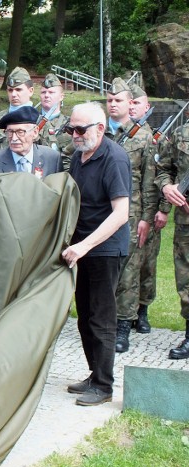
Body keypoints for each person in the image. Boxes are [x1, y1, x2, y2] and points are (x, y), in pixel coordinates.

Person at [62, 102, 131, 406]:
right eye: (71, 129)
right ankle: (94, 374)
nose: (75, 135)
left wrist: (85, 245)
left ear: (100, 129)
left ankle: (104, 386)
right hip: (83, 249)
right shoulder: (80, 156)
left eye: (80, 130)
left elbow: (121, 214)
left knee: (102, 318)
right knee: (85, 316)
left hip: (104, 249)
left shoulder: (114, 158)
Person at [105, 78, 158, 353]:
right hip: (101, 213)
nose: (113, 104)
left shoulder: (143, 136)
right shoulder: (97, 131)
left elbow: (150, 180)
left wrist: (147, 217)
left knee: (128, 270)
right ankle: (102, 320)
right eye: (110, 100)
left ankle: (123, 326)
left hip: (132, 213)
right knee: (103, 268)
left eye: (119, 100)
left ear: (130, 104)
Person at [130, 83, 169, 333]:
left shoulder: (157, 139)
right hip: (129, 209)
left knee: (147, 263)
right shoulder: (121, 136)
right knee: (128, 265)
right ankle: (126, 310)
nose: (132, 107)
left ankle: (143, 309)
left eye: (137, 103)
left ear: (147, 107)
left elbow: (165, 174)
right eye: (129, 102)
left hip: (150, 208)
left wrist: (162, 209)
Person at [155, 106, 189, 360]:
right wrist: (168, 189)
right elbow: (163, 169)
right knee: (186, 281)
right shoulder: (180, 134)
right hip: (186, 222)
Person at [0, 105, 63, 178]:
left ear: (35, 132)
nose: (14, 138)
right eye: (10, 132)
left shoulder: (52, 159)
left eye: (20, 132)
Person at [0, 67, 34, 159]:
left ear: (30, 91)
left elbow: (49, 159)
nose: (14, 94)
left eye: (18, 90)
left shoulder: (40, 121)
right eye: (10, 90)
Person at [36, 74, 73, 171]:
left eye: (51, 92)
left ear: (61, 96)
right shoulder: (31, 122)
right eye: (43, 92)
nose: (46, 95)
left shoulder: (72, 124)